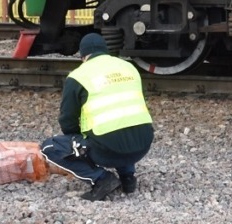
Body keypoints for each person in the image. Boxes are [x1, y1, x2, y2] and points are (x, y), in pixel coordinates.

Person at [40, 33, 154, 201]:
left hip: (108, 152)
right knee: (122, 124)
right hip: (142, 146)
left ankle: (101, 179)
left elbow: (67, 120)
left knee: (49, 148)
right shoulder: (129, 68)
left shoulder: (79, 75)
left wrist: (78, 141)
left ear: (83, 57)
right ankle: (127, 177)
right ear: (105, 51)